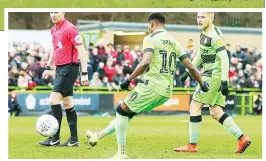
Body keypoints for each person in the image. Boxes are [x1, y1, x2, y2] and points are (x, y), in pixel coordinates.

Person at [86, 12, 209, 159]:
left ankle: (121, 153)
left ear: (152, 24)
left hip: (152, 86)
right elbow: (192, 67)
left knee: (121, 111)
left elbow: (145, 61)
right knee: (126, 114)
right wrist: (202, 84)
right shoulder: (174, 42)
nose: (148, 27)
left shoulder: (150, 39)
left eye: (148, 25)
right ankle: (97, 136)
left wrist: (128, 80)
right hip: (166, 91)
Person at [174, 12, 251, 153]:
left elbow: (225, 58)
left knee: (194, 106)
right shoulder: (204, 33)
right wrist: (188, 70)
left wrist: (224, 81)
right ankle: (242, 138)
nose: (199, 19)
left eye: (203, 17)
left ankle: (192, 145)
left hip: (213, 77)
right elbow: (201, 54)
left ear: (211, 18)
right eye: (197, 17)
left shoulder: (215, 36)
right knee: (216, 111)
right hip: (213, 76)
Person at [39, 12, 89, 147]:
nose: (53, 15)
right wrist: (48, 67)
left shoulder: (70, 29)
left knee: (53, 100)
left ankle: (54, 138)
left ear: (63, 12)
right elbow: (54, 50)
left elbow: (82, 51)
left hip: (70, 68)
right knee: (67, 103)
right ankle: (74, 140)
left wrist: (84, 73)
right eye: (51, 12)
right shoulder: (54, 30)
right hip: (60, 69)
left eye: (56, 12)